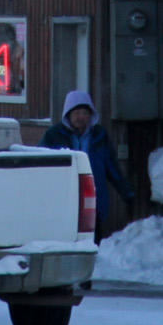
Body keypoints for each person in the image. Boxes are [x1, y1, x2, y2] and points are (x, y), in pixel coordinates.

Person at [41, 89, 132, 235]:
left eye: (84, 113)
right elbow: (41, 165)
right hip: (63, 198)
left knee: (93, 240)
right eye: (76, 113)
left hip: (93, 199)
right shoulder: (53, 136)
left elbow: (111, 167)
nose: (81, 117)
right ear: (68, 114)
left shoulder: (99, 135)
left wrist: (127, 192)